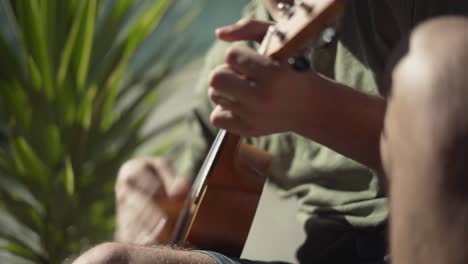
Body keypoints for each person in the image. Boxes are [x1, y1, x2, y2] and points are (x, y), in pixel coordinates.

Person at [73, 1, 468, 264]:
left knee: (441, 61)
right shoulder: (231, 61)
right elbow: (179, 200)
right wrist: (143, 196)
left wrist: (314, 108)